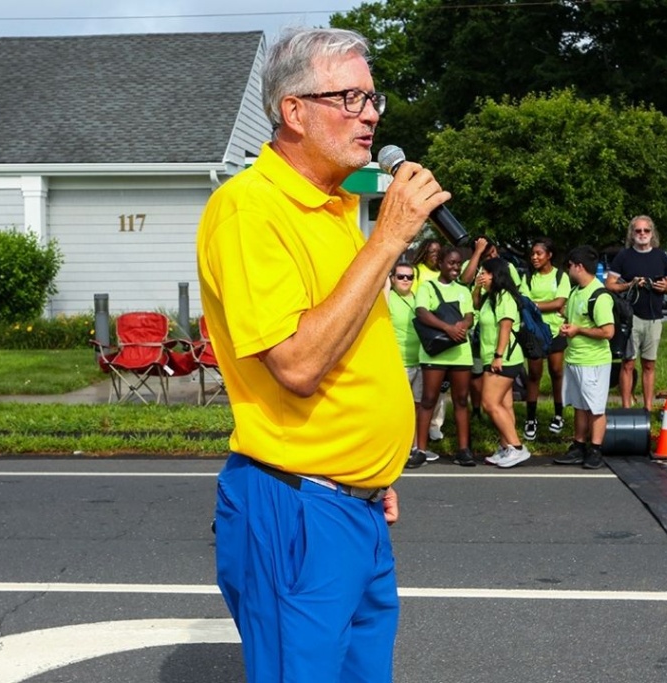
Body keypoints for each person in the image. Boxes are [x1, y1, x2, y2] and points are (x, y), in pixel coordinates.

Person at [195, 27, 450, 681]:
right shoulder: (249, 210)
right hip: (298, 505)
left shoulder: (336, 205)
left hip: (354, 503)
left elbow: (349, 344)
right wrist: (389, 238)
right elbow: (299, 364)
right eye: (350, 98)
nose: (370, 115)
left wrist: (369, 473)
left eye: (373, 99)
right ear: (293, 111)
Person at [553, 245, 615, 470]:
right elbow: (575, 321)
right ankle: (578, 446)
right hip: (575, 359)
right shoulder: (575, 291)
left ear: (579, 267)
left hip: (594, 361)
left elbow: (608, 332)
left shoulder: (599, 295)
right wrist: (569, 327)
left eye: (570, 265)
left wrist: (578, 330)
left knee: (595, 408)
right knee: (579, 406)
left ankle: (595, 449)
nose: (568, 269)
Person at [413, 245, 475, 467]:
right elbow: (421, 312)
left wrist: (462, 325)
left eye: (458, 263)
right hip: (435, 354)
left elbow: (469, 316)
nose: (456, 267)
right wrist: (448, 328)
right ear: (440, 264)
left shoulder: (463, 290)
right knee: (428, 400)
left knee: (461, 400)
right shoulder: (427, 287)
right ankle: (420, 449)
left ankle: (463, 449)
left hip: (460, 353)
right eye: (451, 263)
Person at [604, 215, 667, 411]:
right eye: (638, 230)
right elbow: (609, 284)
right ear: (632, 233)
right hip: (630, 317)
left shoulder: (661, 256)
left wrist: (664, 287)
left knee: (649, 364)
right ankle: (626, 408)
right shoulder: (624, 256)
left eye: (646, 230)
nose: (642, 234)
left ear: (652, 233)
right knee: (628, 363)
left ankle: (648, 408)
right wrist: (629, 284)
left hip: (654, 318)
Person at [472, 257, 531, 468]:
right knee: (504, 405)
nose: (481, 276)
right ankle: (506, 446)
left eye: (484, 273)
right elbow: (475, 305)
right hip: (493, 357)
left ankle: (516, 447)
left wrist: (498, 355)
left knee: (489, 403)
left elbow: (506, 327)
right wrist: (476, 288)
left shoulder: (504, 297)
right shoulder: (490, 297)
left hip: (504, 358)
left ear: (495, 275)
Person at [519, 238, 569, 438]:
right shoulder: (528, 277)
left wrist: (536, 305)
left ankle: (558, 414)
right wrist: (546, 305)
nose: (534, 257)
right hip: (534, 331)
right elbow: (524, 302)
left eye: (539, 253)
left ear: (549, 255)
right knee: (534, 374)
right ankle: (531, 418)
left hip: (555, 330)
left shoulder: (560, 276)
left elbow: (559, 302)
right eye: (532, 254)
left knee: (556, 372)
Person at [387, 262, 435, 468]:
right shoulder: (388, 299)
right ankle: (397, 449)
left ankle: (414, 448)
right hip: (400, 363)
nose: (405, 280)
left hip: (420, 361)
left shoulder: (417, 299)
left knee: (417, 407)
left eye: (409, 277)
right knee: (400, 409)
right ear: (392, 279)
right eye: (401, 276)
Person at [409, 238, 446, 440]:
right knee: (426, 382)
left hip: (444, 327)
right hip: (425, 328)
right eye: (431, 251)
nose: (435, 254)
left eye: (438, 251)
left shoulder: (443, 272)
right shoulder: (417, 272)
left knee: (440, 384)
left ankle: (435, 424)